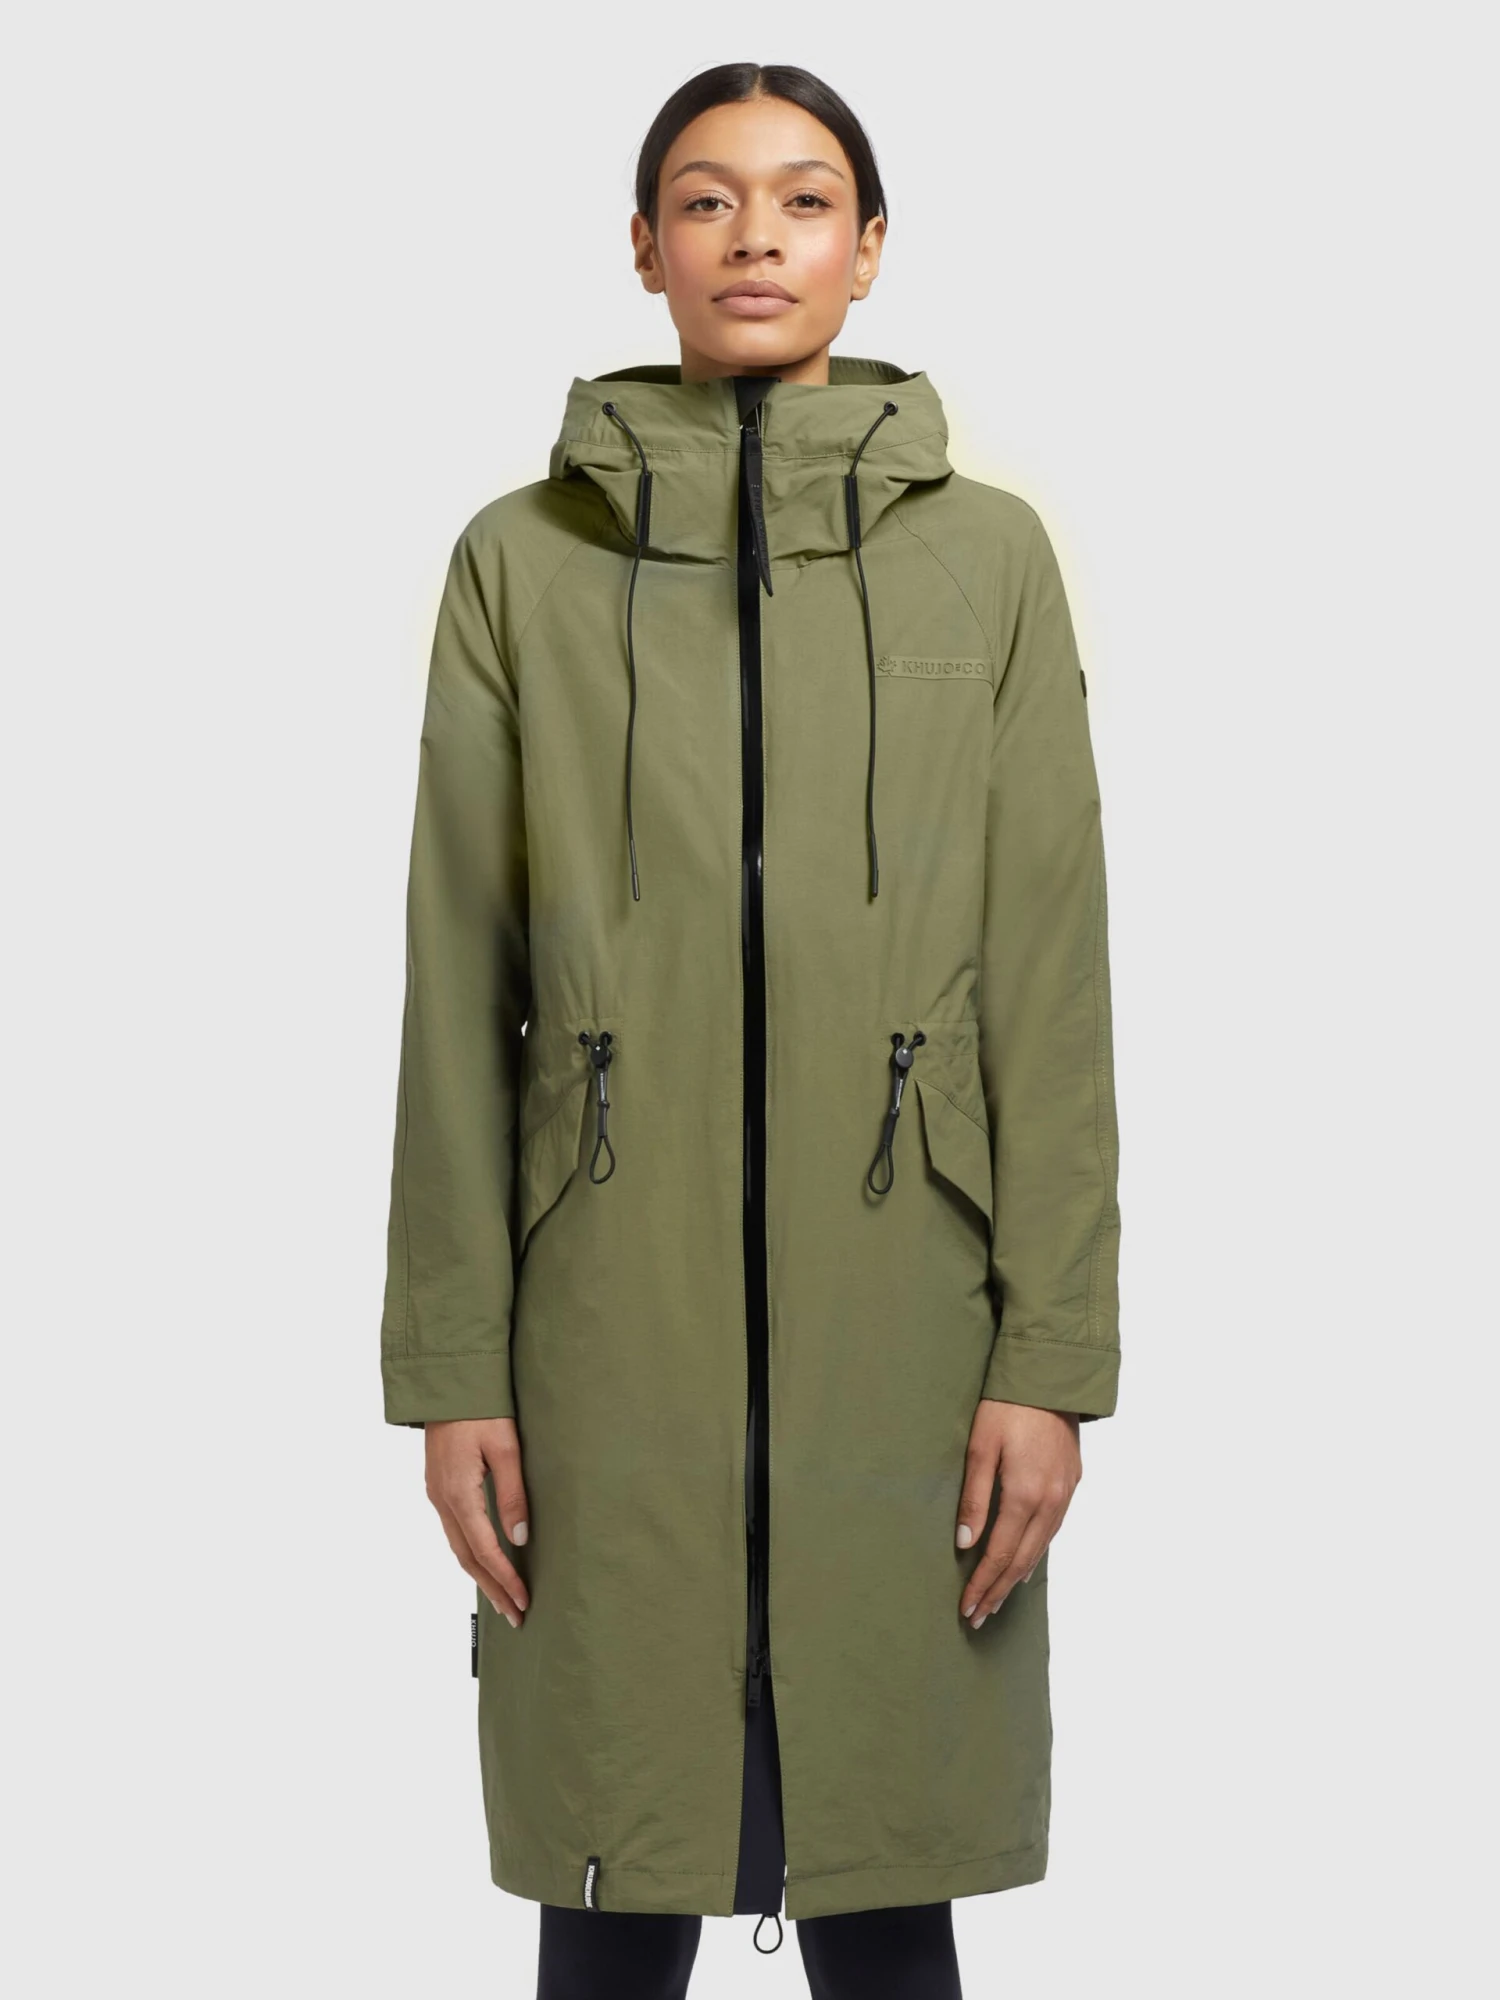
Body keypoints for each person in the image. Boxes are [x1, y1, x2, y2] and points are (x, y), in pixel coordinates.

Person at [380, 60, 1121, 2000]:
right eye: (707, 200)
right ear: (645, 248)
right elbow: (459, 983)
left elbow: (1051, 985)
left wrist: (1052, 1360)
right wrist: (452, 1369)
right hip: (601, 1322)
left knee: (888, 1871)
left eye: (804, 199)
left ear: (870, 249)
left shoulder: (989, 564)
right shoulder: (520, 562)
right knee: (611, 1860)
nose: (755, 236)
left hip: (915, 1312)